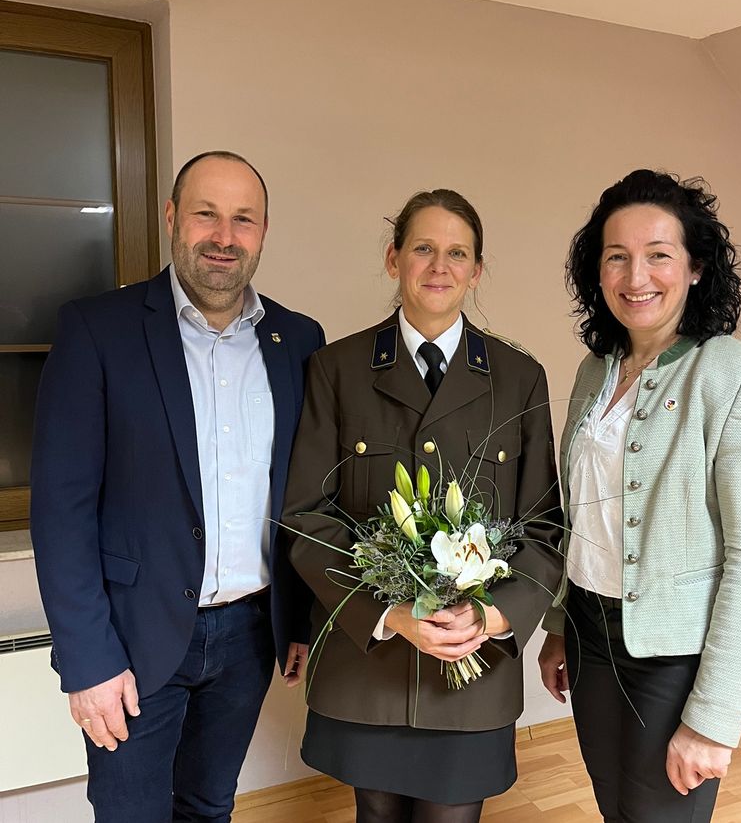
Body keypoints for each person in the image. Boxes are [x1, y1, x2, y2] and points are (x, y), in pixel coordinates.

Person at [30, 151, 324, 822]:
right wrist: (86, 660)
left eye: (243, 219)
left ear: (263, 231)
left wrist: (299, 617)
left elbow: (302, 494)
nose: (224, 236)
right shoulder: (98, 330)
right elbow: (61, 512)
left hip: (250, 635)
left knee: (207, 806)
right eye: (206, 214)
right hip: (130, 641)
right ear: (171, 218)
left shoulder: (298, 341)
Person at [281, 189, 563, 823]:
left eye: (457, 253)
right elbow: (307, 516)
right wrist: (389, 613)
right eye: (424, 249)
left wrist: (494, 619)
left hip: (473, 668)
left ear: (476, 270)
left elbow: (544, 526)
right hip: (368, 661)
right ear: (394, 260)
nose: (440, 266)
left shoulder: (521, 379)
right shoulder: (336, 368)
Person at [537, 169, 741, 822]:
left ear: (697, 267)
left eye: (659, 255)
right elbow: (585, 513)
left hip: (675, 656)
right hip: (591, 632)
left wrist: (714, 718)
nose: (636, 276)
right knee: (616, 807)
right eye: (616, 256)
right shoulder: (594, 368)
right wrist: (559, 625)